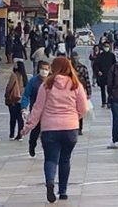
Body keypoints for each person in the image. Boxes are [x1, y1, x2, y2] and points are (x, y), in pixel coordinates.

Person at [21, 57, 88, 203]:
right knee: (65, 159)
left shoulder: (46, 85)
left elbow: (37, 109)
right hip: (70, 128)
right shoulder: (76, 85)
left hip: (50, 128)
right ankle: (63, 191)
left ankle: (50, 182)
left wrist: (28, 127)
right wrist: (75, 117)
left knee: (51, 159)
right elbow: (83, 108)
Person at [21, 61, 50, 157]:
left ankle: (47, 149)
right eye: (43, 69)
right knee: (36, 129)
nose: (44, 71)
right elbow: (26, 94)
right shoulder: (33, 81)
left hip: (48, 111)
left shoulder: (51, 81)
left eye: (46, 69)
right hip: (36, 110)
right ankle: (32, 145)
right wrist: (24, 107)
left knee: (47, 132)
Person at [5, 61, 28, 141]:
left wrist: (7, 96)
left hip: (14, 99)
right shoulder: (24, 77)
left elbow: (9, 87)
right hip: (22, 100)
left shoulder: (14, 75)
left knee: (13, 117)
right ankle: (20, 135)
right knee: (20, 118)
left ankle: (12, 134)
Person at [71, 51, 92, 135]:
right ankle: (75, 127)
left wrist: (89, 92)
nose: (75, 59)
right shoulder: (69, 68)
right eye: (74, 58)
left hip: (81, 91)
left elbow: (87, 80)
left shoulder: (83, 68)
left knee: (79, 109)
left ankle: (79, 128)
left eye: (77, 58)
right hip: (70, 91)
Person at [94, 42, 116, 108]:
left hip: (110, 75)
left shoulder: (112, 55)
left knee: (110, 90)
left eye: (107, 46)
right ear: (103, 47)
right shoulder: (100, 56)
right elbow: (95, 65)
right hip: (102, 75)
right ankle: (103, 102)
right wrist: (98, 71)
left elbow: (114, 64)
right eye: (105, 46)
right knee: (102, 89)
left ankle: (109, 102)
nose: (106, 47)